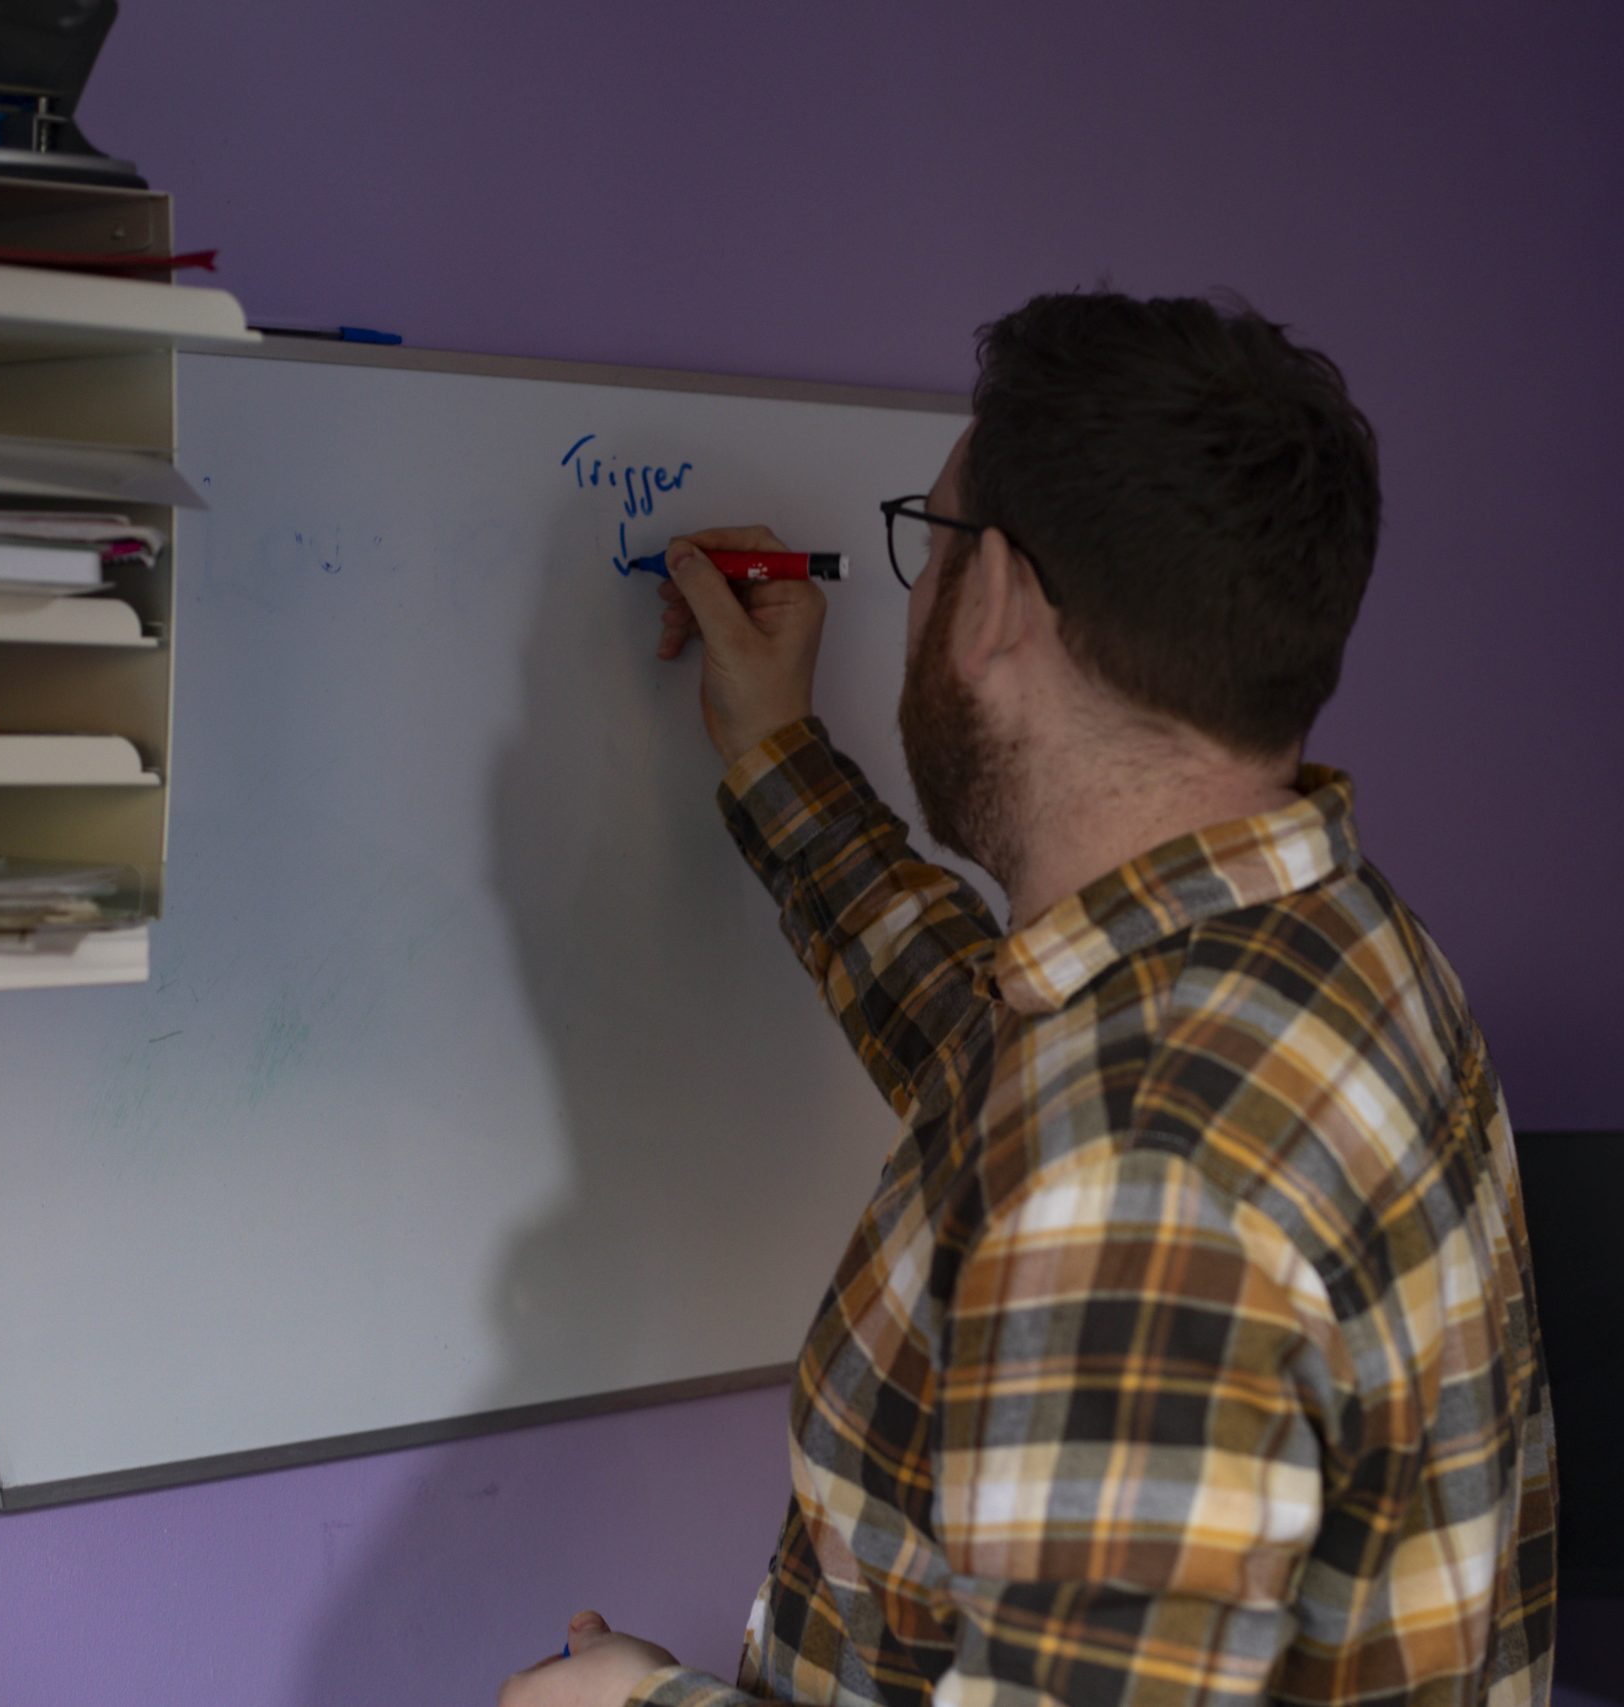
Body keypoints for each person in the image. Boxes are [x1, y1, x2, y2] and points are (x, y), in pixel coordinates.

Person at [502, 292, 1554, 1707]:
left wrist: (638, 1701)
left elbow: (1098, 1141)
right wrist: (777, 755)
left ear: (994, 593)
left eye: (930, 543)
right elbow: (997, 1052)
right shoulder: (1326, 947)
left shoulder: (1135, 1182)